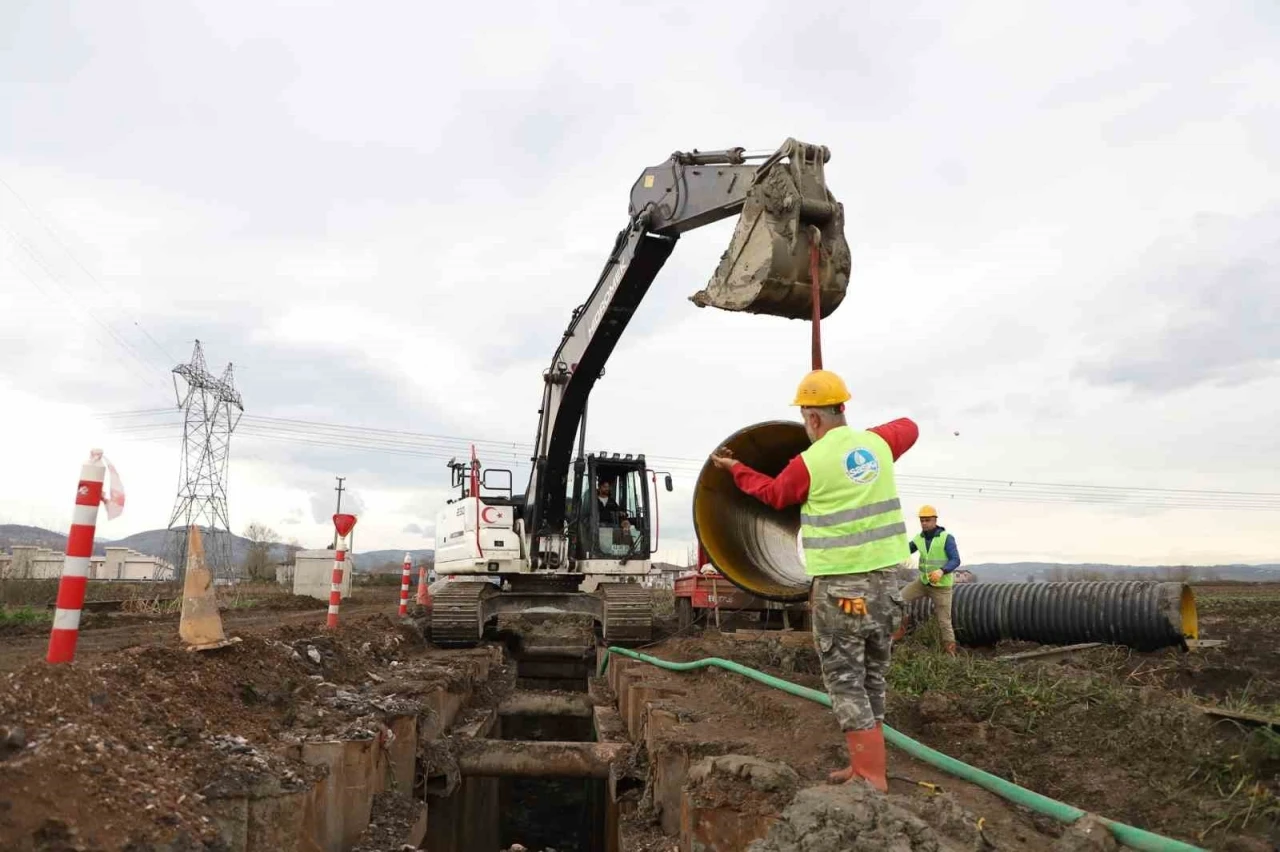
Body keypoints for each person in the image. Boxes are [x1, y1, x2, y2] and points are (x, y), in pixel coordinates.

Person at [710, 369, 917, 792]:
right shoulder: (878, 444)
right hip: (889, 587)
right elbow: (909, 428)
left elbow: (773, 494)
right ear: (844, 407)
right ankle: (864, 767)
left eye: (806, 419)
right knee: (872, 677)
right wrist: (868, 437)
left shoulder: (810, 462)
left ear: (814, 419)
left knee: (845, 680)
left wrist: (734, 468)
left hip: (844, 592)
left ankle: (871, 775)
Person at [893, 505, 961, 655]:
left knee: (944, 621)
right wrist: (891, 549)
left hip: (941, 587)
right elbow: (905, 551)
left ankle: (951, 654)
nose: (924, 523)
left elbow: (955, 560)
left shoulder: (946, 538)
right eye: (922, 520)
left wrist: (941, 571)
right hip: (923, 583)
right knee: (899, 599)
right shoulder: (919, 538)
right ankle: (900, 630)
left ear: (935, 520)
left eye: (927, 520)